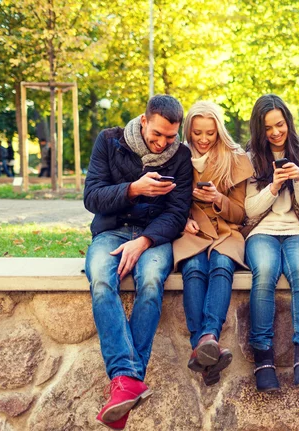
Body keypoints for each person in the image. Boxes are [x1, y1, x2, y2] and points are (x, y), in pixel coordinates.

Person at [84, 94, 193, 430]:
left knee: (150, 282)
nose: (163, 143)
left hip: (155, 236)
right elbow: (92, 197)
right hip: (111, 231)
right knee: (102, 280)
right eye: (157, 134)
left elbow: (177, 213)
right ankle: (129, 379)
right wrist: (133, 189)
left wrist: (145, 241)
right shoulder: (109, 141)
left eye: (171, 137)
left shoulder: (181, 157)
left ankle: (123, 386)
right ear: (144, 121)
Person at [243, 94, 299, 392]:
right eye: (267, 128)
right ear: (258, 130)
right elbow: (250, 210)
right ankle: (263, 358)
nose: (275, 132)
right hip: (261, 230)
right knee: (264, 273)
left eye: (280, 125)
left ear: (288, 122)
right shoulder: (250, 157)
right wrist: (273, 186)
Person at [172, 101, 254, 386]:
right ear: (188, 131)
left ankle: (206, 340)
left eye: (210, 133)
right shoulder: (178, 156)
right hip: (191, 230)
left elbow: (241, 213)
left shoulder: (235, 158)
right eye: (197, 133)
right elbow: (166, 200)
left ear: (219, 131)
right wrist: (183, 215)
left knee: (220, 264)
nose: (204, 139)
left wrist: (219, 199)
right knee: (194, 267)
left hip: (225, 231)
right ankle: (207, 346)